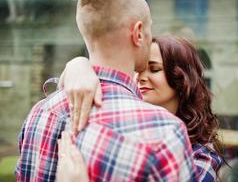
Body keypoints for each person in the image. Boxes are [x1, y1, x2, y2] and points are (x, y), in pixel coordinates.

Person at [15, 0, 197, 181]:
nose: (149, 36)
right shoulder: (164, 134)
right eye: (149, 28)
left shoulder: (40, 113)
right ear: (137, 33)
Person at [56, 35, 223, 181]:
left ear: (182, 79)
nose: (141, 77)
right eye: (138, 70)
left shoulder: (201, 158)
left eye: (154, 69)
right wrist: (78, 64)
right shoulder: (128, 126)